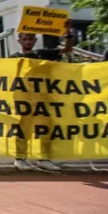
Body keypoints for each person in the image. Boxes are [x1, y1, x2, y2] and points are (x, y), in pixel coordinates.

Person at [9, 26, 74, 172]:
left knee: (45, 128)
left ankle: (43, 159)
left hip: (43, 98)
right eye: (24, 38)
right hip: (24, 99)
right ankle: (20, 158)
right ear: (19, 41)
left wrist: (69, 35)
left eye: (30, 38)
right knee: (23, 129)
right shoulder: (13, 58)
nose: (27, 41)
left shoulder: (43, 54)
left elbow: (67, 50)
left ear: (35, 40)